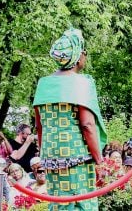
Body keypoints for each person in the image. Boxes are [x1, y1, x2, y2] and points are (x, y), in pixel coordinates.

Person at [33, 28, 107, 210]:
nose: (85, 56)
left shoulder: (43, 83)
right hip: (77, 157)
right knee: (81, 202)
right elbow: (87, 124)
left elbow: (39, 126)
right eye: (84, 51)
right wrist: (100, 162)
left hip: (50, 156)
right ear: (78, 55)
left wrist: (45, 157)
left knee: (58, 203)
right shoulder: (82, 82)